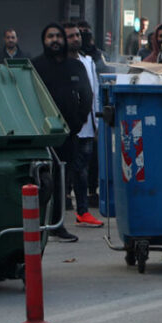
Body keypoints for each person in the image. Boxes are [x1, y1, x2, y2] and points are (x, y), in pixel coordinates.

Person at [32, 23, 94, 243]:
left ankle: (57, 225)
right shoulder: (35, 66)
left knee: (61, 180)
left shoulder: (75, 66)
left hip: (69, 133)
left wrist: (79, 121)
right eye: (50, 36)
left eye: (58, 36)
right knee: (40, 180)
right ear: (44, 40)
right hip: (41, 133)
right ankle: (37, 225)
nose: (55, 40)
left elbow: (87, 95)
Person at [63, 22, 104, 228]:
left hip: (86, 126)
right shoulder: (58, 63)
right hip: (65, 127)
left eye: (77, 35)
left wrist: (97, 123)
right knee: (65, 169)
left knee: (82, 170)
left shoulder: (88, 62)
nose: (76, 39)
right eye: (70, 36)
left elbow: (94, 92)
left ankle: (83, 211)